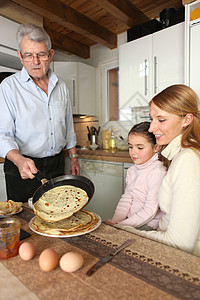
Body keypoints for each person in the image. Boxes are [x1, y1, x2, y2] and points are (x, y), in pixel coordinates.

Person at [115, 84, 200, 256]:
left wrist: (123, 232)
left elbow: (180, 244)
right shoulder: (178, 155)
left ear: (187, 120)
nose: (152, 129)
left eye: (161, 120)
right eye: (152, 119)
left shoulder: (188, 160)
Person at [0, 23, 80, 203]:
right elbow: (2, 135)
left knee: (58, 213)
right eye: (28, 55)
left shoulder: (62, 87)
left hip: (57, 163)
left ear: (50, 55)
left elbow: (68, 126)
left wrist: (73, 157)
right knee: (25, 221)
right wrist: (19, 160)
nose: (35, 61)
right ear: (20, 56)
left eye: (41, 54)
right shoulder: (8, 87)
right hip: (23, 165)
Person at [106, 121, 166, 230]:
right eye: (130, 146)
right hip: (130, 220)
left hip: (148, 225)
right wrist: (114, 221)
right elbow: (127, 198)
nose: (133, 152)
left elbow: (150, 210)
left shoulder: (157, 172)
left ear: (156, 147)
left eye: (140, 147)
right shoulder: (132, 170)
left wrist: (121, 226)